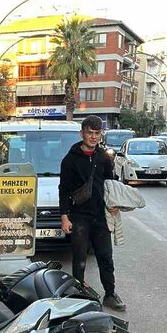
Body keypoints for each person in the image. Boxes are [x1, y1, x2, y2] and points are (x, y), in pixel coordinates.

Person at [59, 114, 125, 311]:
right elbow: (63, 189)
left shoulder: (104, 157)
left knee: (106, 257)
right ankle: (78, 294)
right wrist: (64, 217)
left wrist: (114, 205)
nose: (93, 137)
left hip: (100, 216)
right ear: (82, 134)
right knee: (79, 258)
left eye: (97, 133)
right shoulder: (70, 160)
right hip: (78, 216)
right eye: (90, 133)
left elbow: (111, 184)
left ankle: (110, 294)